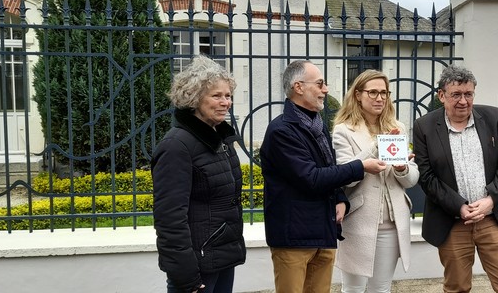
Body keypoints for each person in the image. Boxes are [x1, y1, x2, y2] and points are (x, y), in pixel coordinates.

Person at [260, 60, 387, 293]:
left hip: (323, 233)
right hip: (295, 239)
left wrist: (340, 198)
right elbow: (311, 178)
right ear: (298, 87)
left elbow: (328, 167)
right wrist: (360, 166)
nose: (326, 90)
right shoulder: (282, 131)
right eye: (320, 84)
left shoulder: (316, 125)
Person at [413, 64, 498, 293]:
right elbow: (426, 176)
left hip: (492, 219)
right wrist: (459, 206)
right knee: (457, 288)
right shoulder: (425, 126)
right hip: (452, 222)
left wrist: (491, 199)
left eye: (468, 94)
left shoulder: (492, 117)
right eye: (456, 94)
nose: (463, 101)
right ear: (442, 95)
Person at [152, 55, 246, 293]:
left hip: (221, 258)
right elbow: (170, 218)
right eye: (217, 96)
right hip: (196, 267)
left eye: (228, 96)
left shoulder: (220, 139)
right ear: (194, 98)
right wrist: (185, 276)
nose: (225, 102)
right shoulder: (176, 145)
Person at [332, 70, 420, 293]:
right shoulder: (343, 130)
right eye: (373, 92)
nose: (380, 98)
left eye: (384, 93)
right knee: (353, 289)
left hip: (392, 224)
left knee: (381, 289)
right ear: (358, 95)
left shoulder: (397, 127)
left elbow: (411, 180)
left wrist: (402, 168)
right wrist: (375, 148)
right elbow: (344, 176)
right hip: (358, 223)